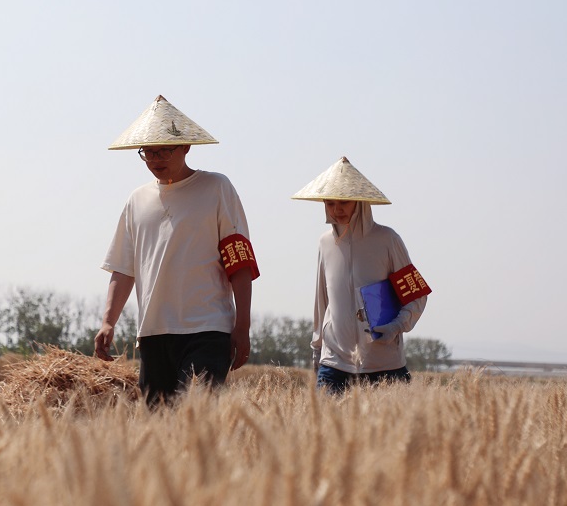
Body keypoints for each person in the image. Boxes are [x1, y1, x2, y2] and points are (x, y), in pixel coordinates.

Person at [94, 95, 260, 405]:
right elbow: (123, 267)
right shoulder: (136, 200)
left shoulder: (216, 188)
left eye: (164, 150)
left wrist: (242, 326)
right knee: (160, 426)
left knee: (197, 416)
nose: (155, 159)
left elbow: (239, 262)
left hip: (208, 330)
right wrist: (108, 321)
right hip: (153, 333)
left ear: (186, 147)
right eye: (148, 152)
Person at [291, 157, 429, 394]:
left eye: (344, 202)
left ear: (360, 202)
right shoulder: (325, 243)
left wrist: (396, 326)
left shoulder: (388, 240)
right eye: (330, 203)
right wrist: (317, 347)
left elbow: (416, 295)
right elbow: (321, 299)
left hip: (384, 363)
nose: (337, 210)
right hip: (334, 363)